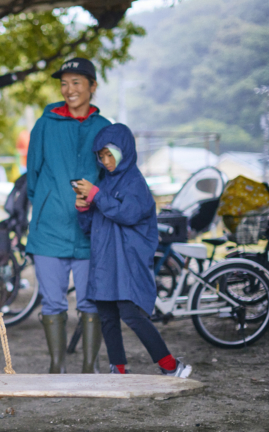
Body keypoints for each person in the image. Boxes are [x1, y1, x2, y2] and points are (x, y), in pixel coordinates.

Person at [74, 123, 192, 378]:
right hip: (105, 261)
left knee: (132, 313)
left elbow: (128, 214)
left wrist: (96, 196)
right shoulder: (104, 182)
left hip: (127, 260)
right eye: (101, 156)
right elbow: (91, 227)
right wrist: (83, 209)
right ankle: (118, 369)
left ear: (124, 151)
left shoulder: (135, 182)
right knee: (106, 315)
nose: (106, 161)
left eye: (110, 154)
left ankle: (171, 366)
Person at [26, 58, 111, 373]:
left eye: (77, 82)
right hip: (49, 230)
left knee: (91, 302)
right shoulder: (45, 123)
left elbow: (112, 176)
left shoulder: (105, 129)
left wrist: (96, 202)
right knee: (53, 303)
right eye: (64, 83)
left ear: (92, 87)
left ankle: (90, 366)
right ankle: (56, 366)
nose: (69, 89)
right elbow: (32, 175)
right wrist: (51, 203)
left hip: (93, 231)